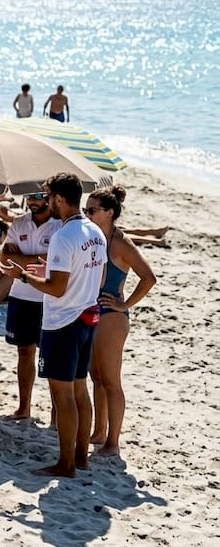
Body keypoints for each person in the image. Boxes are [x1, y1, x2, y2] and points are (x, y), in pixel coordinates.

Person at [0, 173, 105, 477]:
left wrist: (22, 276)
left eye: (47, 196)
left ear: (59, 198)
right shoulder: (94, 231)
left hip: (63, 321)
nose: (45, 201)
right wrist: (48, 268)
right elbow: (91, 275)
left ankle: (66, 463)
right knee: (80, 390)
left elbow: (56, 288)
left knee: (64, 396)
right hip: (87, 315)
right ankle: (81, 458)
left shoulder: (64, 235)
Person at [86, 187, 157, 457]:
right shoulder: (92, 237)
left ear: (110, 213)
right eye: (86, 210)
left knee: (112, 381)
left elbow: (148, 278)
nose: (87, 214)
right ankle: (99, 431)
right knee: (96, 377)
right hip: (91, 310)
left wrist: (125, 304)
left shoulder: (120, 243)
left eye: (92, 210)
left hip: (112, 317)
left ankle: (113, 443)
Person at [0, 192, 60, 420]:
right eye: (28, 196)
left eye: (37, 195)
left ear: (49, 197)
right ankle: (24, 408)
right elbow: (4, 260)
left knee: (52, 357)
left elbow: (55, 263)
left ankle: (56, 413)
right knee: (24, 353)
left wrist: (22, 260)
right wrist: (38, 259)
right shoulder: (19, 222)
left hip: (48, 299)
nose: (31, 200)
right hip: (21, 297)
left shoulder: (60, 225)